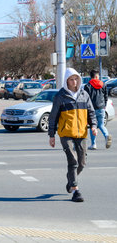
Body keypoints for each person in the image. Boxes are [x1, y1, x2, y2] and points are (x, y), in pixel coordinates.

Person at [48, 68, 97, 203]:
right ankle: (75, 190)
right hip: (66, 133)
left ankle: (70, 179)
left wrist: (93, 126)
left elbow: (91, 112)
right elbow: (53, 117)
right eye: (71, 79)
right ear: (66, 81)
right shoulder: (60, 96)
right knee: (73, 160)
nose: (74, 82)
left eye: (76, 79)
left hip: (81, 132)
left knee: (82, 162)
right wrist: (51, 135)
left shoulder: (84, 94)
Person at [83, 69, 112, 150]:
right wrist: (104, 105)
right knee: (101, 125)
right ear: (96, 76)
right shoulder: (103, 84)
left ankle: (93, 144)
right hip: (101, 108)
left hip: (91, 109)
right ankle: (106, 136)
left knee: (93, 126)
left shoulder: (87, 86)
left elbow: (85, 98)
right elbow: (106, 96)